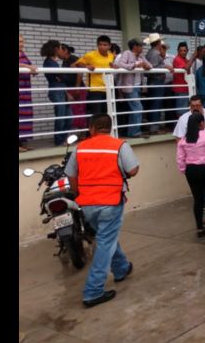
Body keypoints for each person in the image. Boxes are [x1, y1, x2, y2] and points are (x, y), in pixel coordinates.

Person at [64, 114, 140, 307]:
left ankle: (121, 268)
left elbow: (71, 174)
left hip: (88, 204)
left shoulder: (79, 148)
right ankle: (93, 292)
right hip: (111, 202)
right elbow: (133, 170)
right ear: (110, 127)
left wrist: (77, 191)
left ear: (92, 128)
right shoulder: (120, 145)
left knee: (106, 237)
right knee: (106, 242)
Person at [176, 112, 205, 238]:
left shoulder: (183, 140)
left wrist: (184, 170)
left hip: (191, 171)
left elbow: (180, 158)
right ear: (201, 124)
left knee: (198, 199)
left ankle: (199, 229)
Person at [114, 38, 152, 138]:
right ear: (135, 46)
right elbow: (120, 64)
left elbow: (150, 65)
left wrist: (146, 66)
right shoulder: (127, 53)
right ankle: (134, 132)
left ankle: (132, 131)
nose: (142, 48)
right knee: (138, 108)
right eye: (140, 46)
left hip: (137, 86)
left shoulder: (141, 56)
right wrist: (136, 64)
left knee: (135, 109)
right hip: (129, 86)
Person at [40, 39, 72, 146]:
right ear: (55, 49)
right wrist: (61, 78)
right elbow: (61, 77)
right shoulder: (49, 62)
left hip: (61, 90)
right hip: (56, 91)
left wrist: (61, 78)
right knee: (61, 116)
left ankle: (63, 139)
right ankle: (59, 141)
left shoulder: (53, 62)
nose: (61, 51)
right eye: (60, 48)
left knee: (68, 117)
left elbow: (62, 77)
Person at [73, 35, 115, 116]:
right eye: (100, 44)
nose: (102, 47)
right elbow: (77, 64)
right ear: (97, 45)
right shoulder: (90, 55)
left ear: (109, 46)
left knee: (106, 114)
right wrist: (86, 66)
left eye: (105, 45)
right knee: (96, 114)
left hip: (108, 89)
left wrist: (114, 66)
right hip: (94, 90)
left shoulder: (111, 55)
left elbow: (110, 66)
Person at [143, 33, 174, 134]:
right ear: (158, 42)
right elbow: (153, 68)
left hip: (154, 82)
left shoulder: (150, 52)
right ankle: (154, 128)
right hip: (156, 81)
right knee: (156, 104)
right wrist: (165, 67)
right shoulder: (155, 53)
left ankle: (153, 127)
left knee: (154, 104)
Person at [60, 44, 88, 131]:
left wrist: (77, 87)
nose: (57, 53)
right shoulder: (65, 61)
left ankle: (82, 131)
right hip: (70, 88)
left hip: (77, 88)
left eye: (59, 50)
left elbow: (79, 73)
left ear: (65, 51)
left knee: (80, 109)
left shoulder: (73, 59)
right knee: (74, 110)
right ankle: (77, 131)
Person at [19, 34, 38, 152]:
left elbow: (30, 67)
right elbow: (24, 66)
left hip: (26, 90)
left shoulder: (23, 54)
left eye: (22, 41)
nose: (21, 44)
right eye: (19, 41)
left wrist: (33, 70)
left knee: (25, 116)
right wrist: (27, 66)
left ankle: (23, 143)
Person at [172, 42, 190, 118]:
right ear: (178, 51)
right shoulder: (177, 59)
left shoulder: (185, 59)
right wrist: (194, 56)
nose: (183, 52)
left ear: (187, 51)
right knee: (181, 111)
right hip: (180, 89)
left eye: (184, 50)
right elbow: (186, 68)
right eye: (181, 50)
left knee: (185, 110)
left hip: (185, 88)